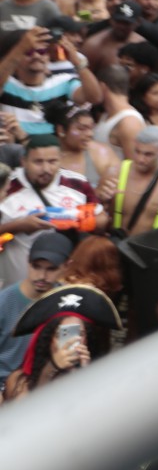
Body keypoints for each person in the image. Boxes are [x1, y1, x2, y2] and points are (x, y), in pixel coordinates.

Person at [0, 138, 92, 288]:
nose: (46, 169)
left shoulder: (78, 184)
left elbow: (101, 221)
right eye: (38, 162)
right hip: (16, 287)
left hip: (63, 286)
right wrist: (19, 226)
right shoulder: (7, 187)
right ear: (24, 161)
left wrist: (75, 218)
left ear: (61, 159)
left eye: (52, 161)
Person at [0, 231, 70, 374]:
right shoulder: (4, 302)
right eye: (36, 266)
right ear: (27, 261)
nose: (41, 276)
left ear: (67, 266)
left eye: (51, 269)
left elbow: (69, 349)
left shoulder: (67, 301)